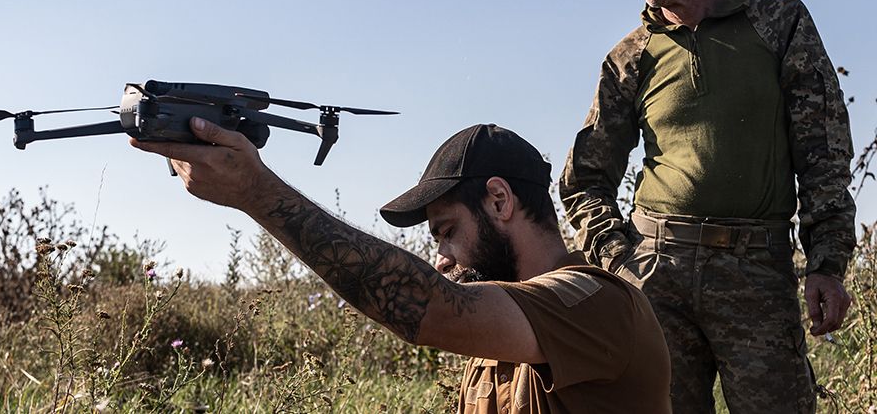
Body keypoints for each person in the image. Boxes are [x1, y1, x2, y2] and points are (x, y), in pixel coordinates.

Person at [559, 0, 856, 414]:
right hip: (657, 276)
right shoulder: (628, 59)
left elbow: (824, 153)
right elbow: (583, 180)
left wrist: (827, 263)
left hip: (757, 273)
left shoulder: (778, 22)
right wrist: (622, 262)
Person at [134, 121, 671, 413]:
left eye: (447, 232)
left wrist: (256, 191)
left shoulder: (599, 303)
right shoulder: (498, 338)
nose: (441, 258)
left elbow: (433, 309)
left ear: (500, 201)